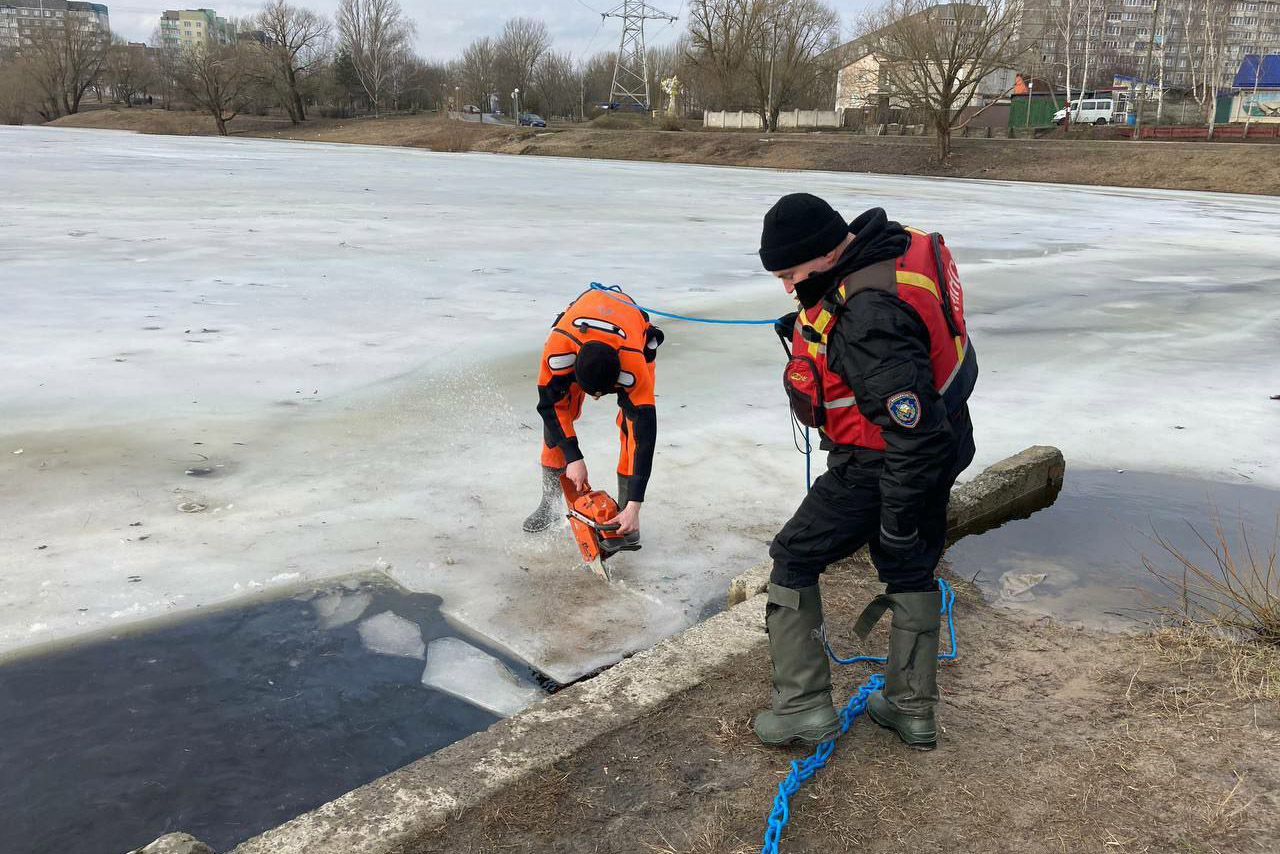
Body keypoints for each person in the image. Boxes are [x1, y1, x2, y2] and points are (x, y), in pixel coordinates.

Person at [753, 195, 978, 751]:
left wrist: (897, 518)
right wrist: (820, 327)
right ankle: (911, 710)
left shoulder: (868, 317)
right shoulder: (888, 246)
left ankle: (803, 708)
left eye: (791, 274)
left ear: (829, 251)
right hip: (946, 437)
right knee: (911, 566)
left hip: (888, 460)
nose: (787, 286)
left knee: (794, 556)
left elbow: (910, 430)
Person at [523, 286, 663, 544]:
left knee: (631, 429)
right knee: (560, 415)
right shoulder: (558, 350)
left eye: (602, 393)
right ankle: (549, 504)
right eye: (593, 394)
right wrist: (573, 457)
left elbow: (645, 436)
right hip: (579, 332)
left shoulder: (634, 365)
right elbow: (550, 408)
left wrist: (635, 505)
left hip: (631, 332)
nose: (597, 399)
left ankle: (624, 513)